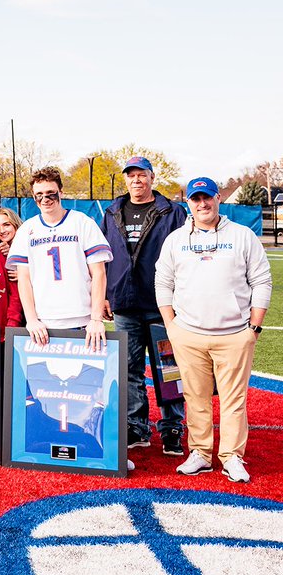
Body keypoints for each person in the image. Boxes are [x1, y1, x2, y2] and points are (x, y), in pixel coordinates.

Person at [157, 177, 272, 483]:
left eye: (207, 197)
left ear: (218, 198)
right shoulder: (176, 240)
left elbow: (261, 280)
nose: (202, 204)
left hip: (234, 333)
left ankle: (232, 456)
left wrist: (254, 327)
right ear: (188, 204)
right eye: (196, 199)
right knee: (195, 396)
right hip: (188, 332)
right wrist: (171, 325)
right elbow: (163, 282)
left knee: (234, 399)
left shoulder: (242, 235)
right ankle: (201, 453)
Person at [101, 156, 189, 455]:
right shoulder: (112, 211)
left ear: (152, 178)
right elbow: (101, 257)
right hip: (125, 302)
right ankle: (136, 427)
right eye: (131, 175)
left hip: (163, 304)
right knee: (130, 369)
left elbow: (185, 256)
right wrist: (104, 294)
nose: (136, 180)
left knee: (169, 369)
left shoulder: (172, 211)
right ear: (125, 179)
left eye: (141, 175)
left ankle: (172, 429)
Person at [7, 167, 112, 350]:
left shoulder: (82, 222)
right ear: (33, 197)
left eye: (50, 193)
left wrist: (96, 318)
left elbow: (99, 272)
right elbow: (24, 278)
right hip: (44, 323)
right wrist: (31, 319)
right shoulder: (27, 230)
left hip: (83, 319)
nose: (45, 199)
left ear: (61, 192)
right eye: (39, 194)